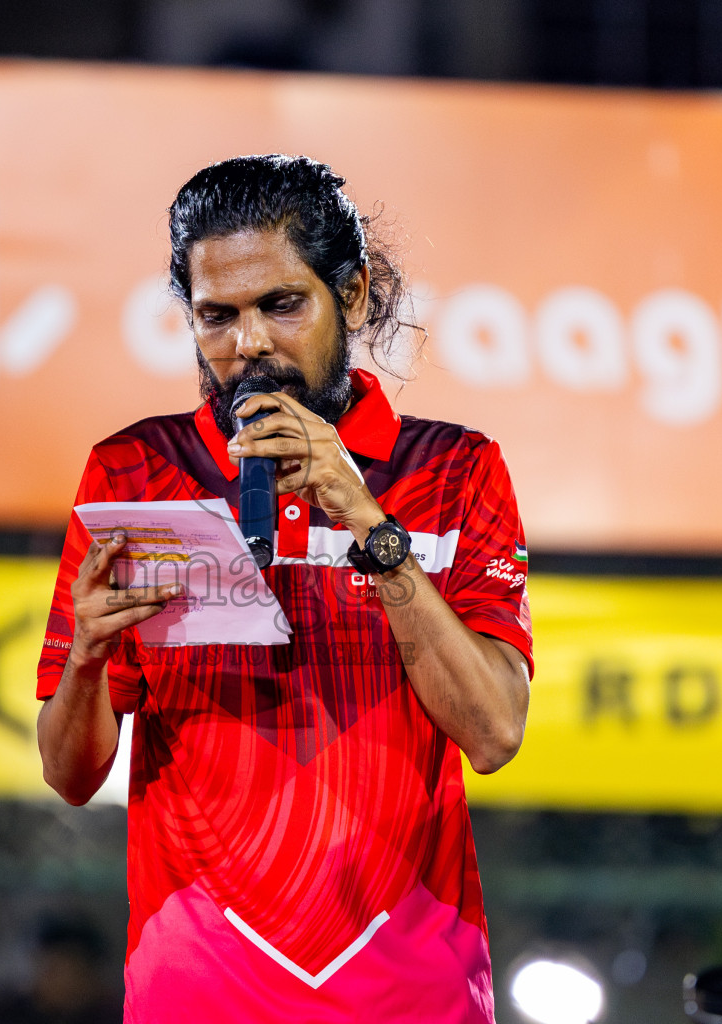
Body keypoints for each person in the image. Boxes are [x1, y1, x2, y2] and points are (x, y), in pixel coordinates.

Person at [35, 154, 532, 1023]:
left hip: (412, 998)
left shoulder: (457, 469)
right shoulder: (133, 472)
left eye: (282, 304)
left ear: (355, 295)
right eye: (216, 317)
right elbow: (71, 775)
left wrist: (361, 514)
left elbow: (493, 732)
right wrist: (86, 658)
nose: (249, 344)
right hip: (194, 997)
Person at [0, 914, 122, 1024]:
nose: (66, 984)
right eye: (55, 971)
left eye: (76, 973)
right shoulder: (4, 1013)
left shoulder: (114, 1015)